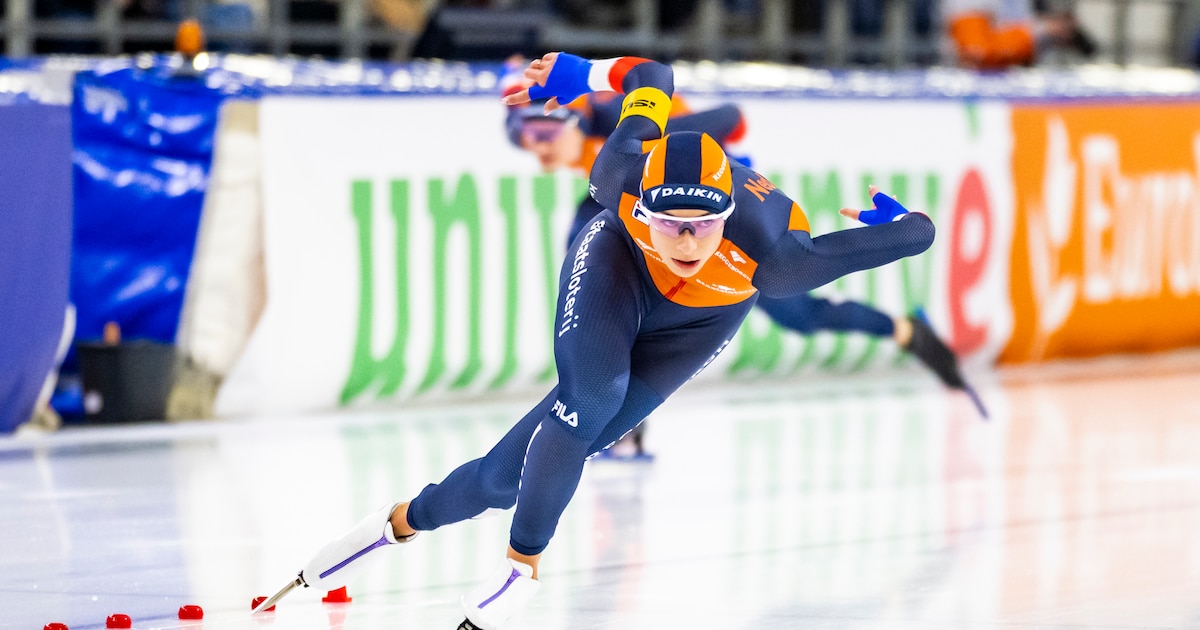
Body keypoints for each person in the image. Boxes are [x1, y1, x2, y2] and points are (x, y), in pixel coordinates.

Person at [256, 51, 936, 629]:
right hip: (616, 266)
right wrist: (585, 71)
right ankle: (522, 569)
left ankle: (395, 523)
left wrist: (898, 216)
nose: (687, 243)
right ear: (642, 203)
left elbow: (917, 234)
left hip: (700, 324)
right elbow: (655, 74)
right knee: (591, 396)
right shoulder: (618, 174)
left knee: (501, 480)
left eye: (703, 227)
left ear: (728, 216)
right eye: (668, 224)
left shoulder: (782, 260)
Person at [503, 60, 980, 436]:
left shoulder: (621, 136)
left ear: (576, 117)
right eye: (525, 138)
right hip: (680, 222)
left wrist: (684, 156)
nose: (538, 148)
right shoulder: (604, 161)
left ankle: (905, 331)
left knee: (799, 315)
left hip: (738, 223)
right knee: (596, 251)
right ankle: (621, 415)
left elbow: (730, 117)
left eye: (545, 133)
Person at [941, 0, 1096, 70]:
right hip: (974, 94)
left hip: (1017, 82)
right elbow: (978, 51)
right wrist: (1041, 30)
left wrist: (1050, 29)